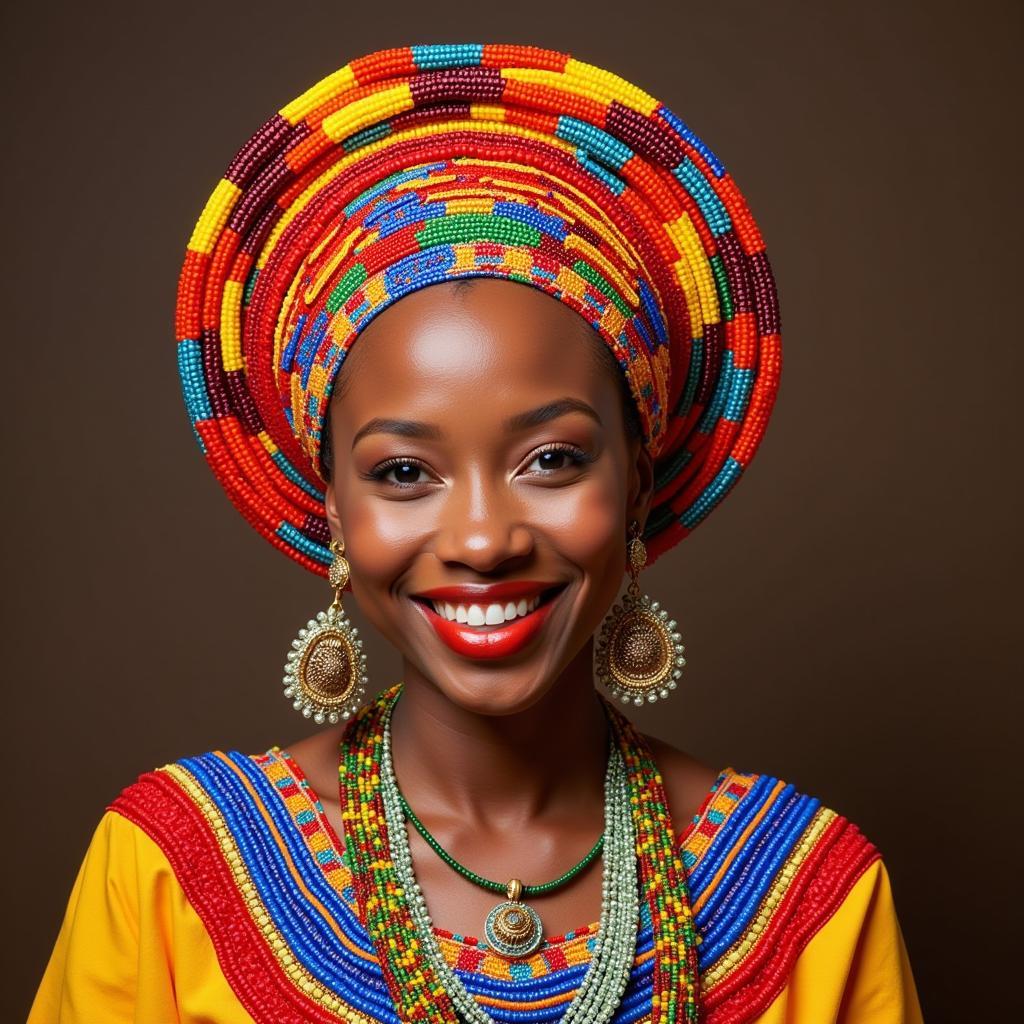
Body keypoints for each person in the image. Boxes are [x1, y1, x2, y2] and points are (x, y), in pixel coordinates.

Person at [29, 42, 924, 1024]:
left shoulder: (814, 895)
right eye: (404, 472)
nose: (485, 537)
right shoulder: (168, 873)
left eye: (550, 459)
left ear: (638, 482)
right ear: (333, 506)